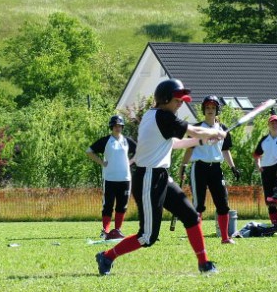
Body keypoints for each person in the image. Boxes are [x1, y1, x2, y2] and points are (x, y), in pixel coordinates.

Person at [95, 79, 226, 276]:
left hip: (161, 176)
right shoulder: (163, 116)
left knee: (191, 216)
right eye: (177, 100)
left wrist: (202, 140)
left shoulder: (155, 116)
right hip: (148, 177)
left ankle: (204, 263)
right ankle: (107, 256)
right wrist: (213, 132)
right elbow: (193, 129)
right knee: (147, 236)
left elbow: (173, 143)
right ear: (165, 99)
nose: (181, 104)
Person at [179, 95, 241, 244]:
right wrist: (183, 167)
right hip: (199, 168)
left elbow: (225, 151)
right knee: (198, 205)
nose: (210, 110)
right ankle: (197, 238)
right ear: (203, 110)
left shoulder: (223, 129)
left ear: (217, 110)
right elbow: (189, 149)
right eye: (207, 107)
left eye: (213, 108)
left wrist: (233, 167)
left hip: (216, 169)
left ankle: (225, 238)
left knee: (223, 204)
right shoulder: (197, 128)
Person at [86, 115, 137, 240]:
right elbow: (89, 151)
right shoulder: (106, 141)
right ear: (111, 127)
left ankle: (117, 230)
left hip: (125, 178)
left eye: (120, 126)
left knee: (122, 206)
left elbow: (140, 151)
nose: (117, 128)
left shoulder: (127, 141)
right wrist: (102, 162)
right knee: (108, 205)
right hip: (109, 178)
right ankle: (106, 231)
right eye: (115, 126)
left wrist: (131, 162)